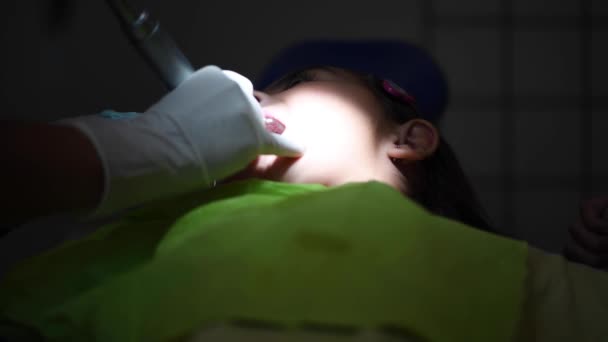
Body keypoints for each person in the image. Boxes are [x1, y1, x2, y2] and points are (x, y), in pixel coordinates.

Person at [1, 65, 607, 341]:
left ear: (408, 137)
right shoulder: (141, 237)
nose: (260, 91)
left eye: (296, 83)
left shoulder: (498, 268)